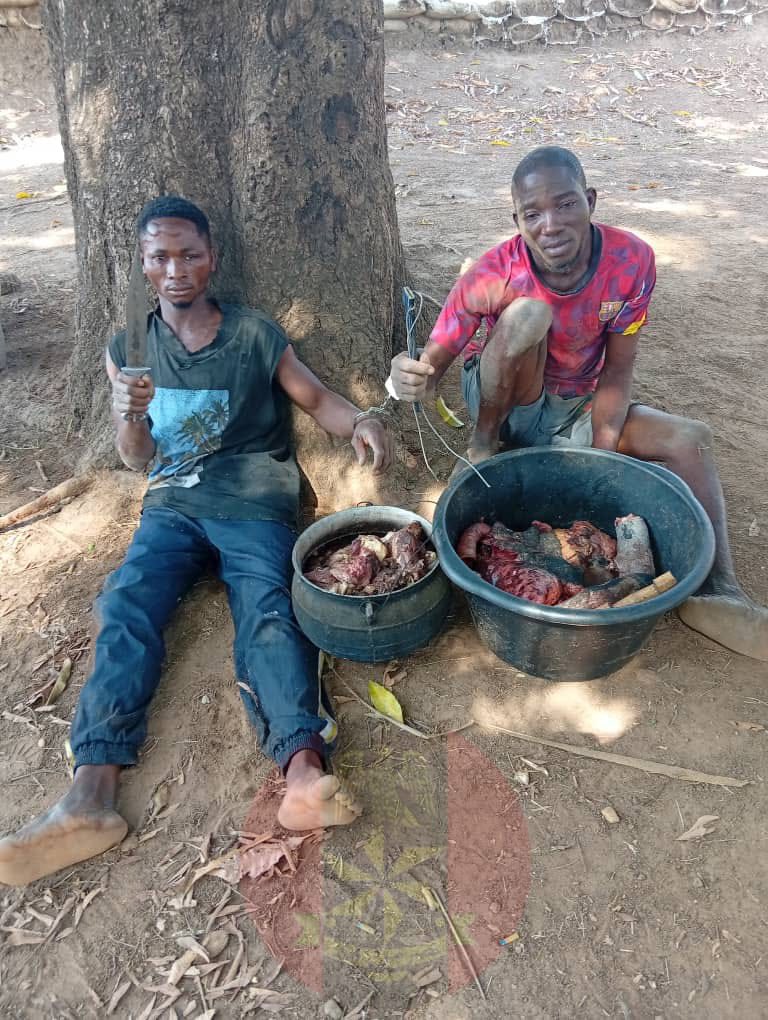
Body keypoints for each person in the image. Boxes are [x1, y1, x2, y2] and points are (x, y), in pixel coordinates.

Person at [0, 196, 392, 887]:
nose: (176, 269)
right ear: (143, 265)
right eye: (160, 257)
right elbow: (137, 457)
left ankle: (303, 773)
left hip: (254, 504)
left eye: (190, 254)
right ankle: (90, 795)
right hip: (172, 508)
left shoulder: (253, 334)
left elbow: (316, 398)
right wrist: (127, 416)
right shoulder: (130, 346)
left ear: (213, 258)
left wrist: (359, 421)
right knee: (125, 606)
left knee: (269, 611)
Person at [389, 145, 767, 662]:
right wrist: (408, 376)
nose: (551, 225)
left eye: (565, 204)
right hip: (509, 399)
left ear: (589, 200)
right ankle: (484, 448)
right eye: (532, 214)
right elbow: (432, 364)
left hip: (582, 403)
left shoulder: (631, 261)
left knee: (690, 440)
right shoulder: (494, 271)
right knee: (528, 315)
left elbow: (618, 370)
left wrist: (601, 457)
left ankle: (719, 592)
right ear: (517, 221)